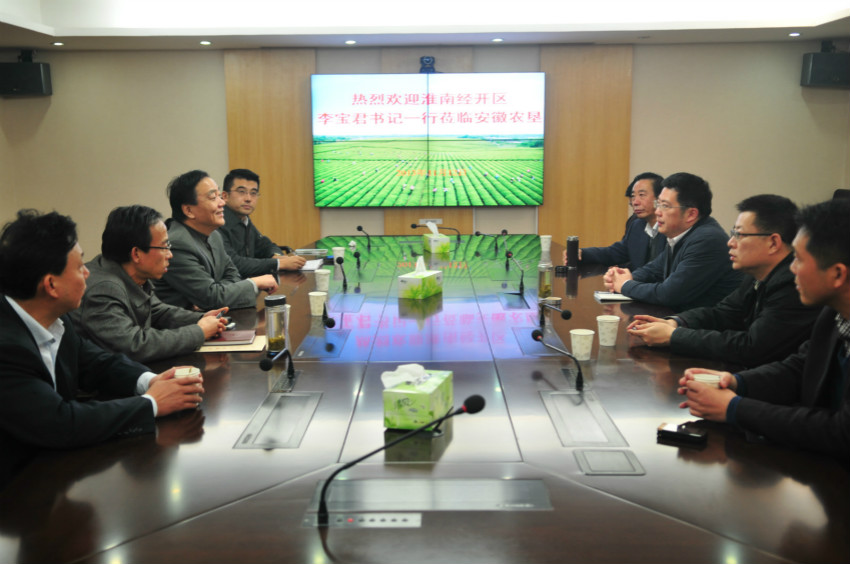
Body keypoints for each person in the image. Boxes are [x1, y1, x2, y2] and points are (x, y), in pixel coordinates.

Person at [0, 210, 204, 486]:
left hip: (53, 470)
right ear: (51, 285)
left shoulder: (56, 319)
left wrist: (150, 381)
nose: (88, 273)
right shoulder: (7, 348)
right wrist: (152, 403)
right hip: (16, 489)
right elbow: (60, 423)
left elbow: (96, 362)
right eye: (79, 267)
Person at [678, 198, 850, 462]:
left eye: (799, 260)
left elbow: (842, 432)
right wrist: (736, 381)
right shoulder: (833, 314)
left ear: (837, 274)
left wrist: (735, 408)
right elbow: (801, 367)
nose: (791, 268)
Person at [627, 195, 820, 367]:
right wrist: (675, 322)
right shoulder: (756, 275)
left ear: (773, 243)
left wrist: (674, 336)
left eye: (739, 235)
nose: (730, 242)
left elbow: (752, 347)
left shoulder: (793, 284)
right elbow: (722, 313)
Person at [69, 205, 229, 363]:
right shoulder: (103, 288)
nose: (170, 255)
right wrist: (199, 331)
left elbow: (158, 311)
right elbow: (134, 345)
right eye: (164, 247)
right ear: (136, 254)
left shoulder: (129, 273)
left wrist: (201, 318)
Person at [604, 172, 744, 311]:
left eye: (665, 206)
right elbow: (654, 270)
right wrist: (622, 277)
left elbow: (668, 294)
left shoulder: (707, 240)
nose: (657, 212)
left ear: (691, 214)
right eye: (658, 204)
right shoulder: (682, 234)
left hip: (708, 322)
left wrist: (625, 285)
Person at [153, 170, 278, 310]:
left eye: (219, 196)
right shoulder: (177, 244)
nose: (222, 203)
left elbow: (233, 275)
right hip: (184, 321)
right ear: (189, 210)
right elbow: (212, 298)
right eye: (213, 197)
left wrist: (217, 292)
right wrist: (254, 283)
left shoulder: (214, 236)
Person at [219, 168, 306, 277]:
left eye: (253, 193)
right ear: (225, 196)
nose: (248, 198)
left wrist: (276, 256)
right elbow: (233, 263)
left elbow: (265, 245)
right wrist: (278, 263)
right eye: (241, 192)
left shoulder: (244, 219)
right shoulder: (217, 222)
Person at [579, 172, 667, 269]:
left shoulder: (672, 228)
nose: (635, 202)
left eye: (642, 195)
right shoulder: (637, 226)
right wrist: (582, 253)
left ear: (659, 198)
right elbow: (614, 253)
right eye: (633, 196)